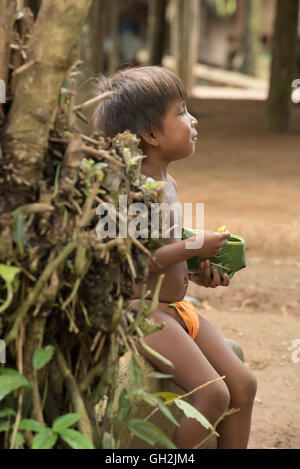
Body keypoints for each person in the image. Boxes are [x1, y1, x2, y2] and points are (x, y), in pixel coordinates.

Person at [92, 66, 257, 449]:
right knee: (213, 396)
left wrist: (199, 271)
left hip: (175, 308)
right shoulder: (131, 189)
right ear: (151, 135)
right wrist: (193, 246)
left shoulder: (168, 183)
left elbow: (162, 255)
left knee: (244, 385)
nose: (193, 119)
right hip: (141, 312)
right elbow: (130, 262)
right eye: (182, 112)